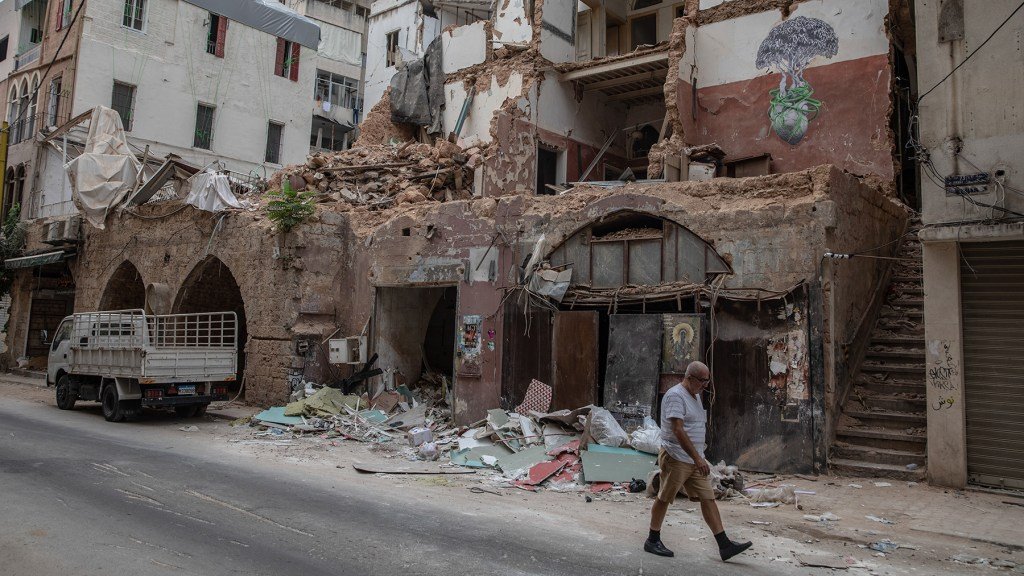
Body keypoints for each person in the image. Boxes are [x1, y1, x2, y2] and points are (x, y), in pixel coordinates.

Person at [644, 361, 752, 561]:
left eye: (707, 380)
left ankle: (724, 544)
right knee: (664, 497)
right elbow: (678, 430)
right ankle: (652, 539)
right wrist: (696, 457)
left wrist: (698, 457)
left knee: (707, 496)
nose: (705, 385)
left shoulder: (695, 395)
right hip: (676, 456)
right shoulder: (676, 396)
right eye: (702, 380)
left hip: (694, 459)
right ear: (689, 378)